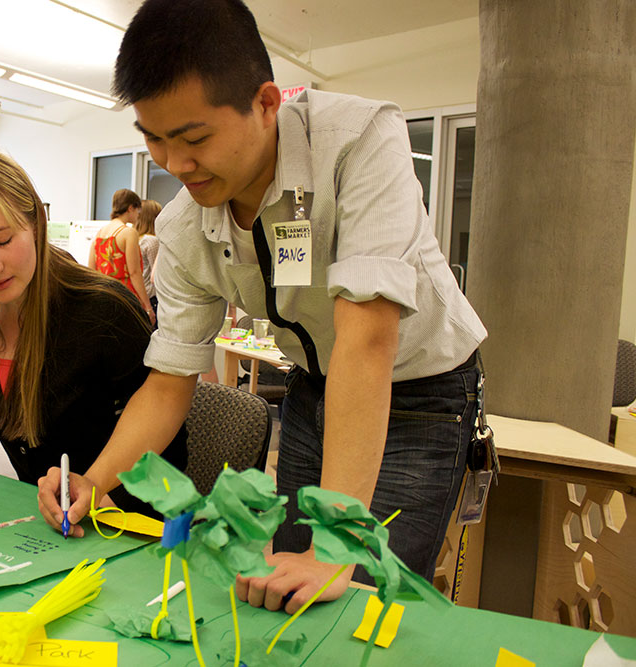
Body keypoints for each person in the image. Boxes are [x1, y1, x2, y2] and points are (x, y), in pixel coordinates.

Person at [38, 0, 486, 614]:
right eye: (155, 141)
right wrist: (95, 479)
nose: (175, 165)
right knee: (287, 587)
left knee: (362, 595)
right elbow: (170, 381)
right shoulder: (183, 227)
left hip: (420, 387)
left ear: (267, 104)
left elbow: (367, 342)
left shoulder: (360, 141)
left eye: (195, 138)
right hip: (316, 383)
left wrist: (337, 547)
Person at [0, 148, 186, 523]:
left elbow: (169, 449)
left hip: (125, 527)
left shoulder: (103, 310)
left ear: (36, 222)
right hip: (42, 528)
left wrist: (103, 491)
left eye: (4, 239)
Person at [89, 189, 155, 324]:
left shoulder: (99, 233)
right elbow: (135, 272)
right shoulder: (128, 233)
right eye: (138, 211)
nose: (138, 216)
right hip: (126, 298)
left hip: (104, 296)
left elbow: (91, 269)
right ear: (130, 208)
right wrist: (148, 307)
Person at [136, 199, 162, 321]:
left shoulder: (135, 239)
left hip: (138, 295)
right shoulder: (151, 241)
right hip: (150, 299)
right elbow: (156, 275)